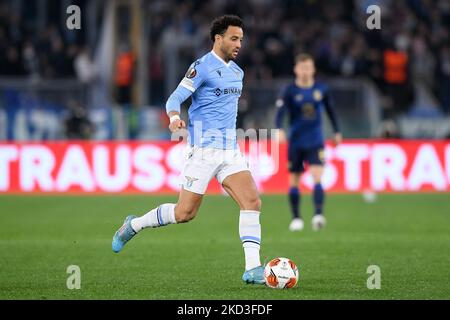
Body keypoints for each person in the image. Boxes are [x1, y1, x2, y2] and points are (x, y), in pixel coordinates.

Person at [112, 15, 265, 284]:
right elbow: (175, 98)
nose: (239, 43)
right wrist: (174, 118)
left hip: (230, 150)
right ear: (218, 39)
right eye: (233, 38)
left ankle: (252, 268)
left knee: (252, 201)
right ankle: (133, 225)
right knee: (185, 213)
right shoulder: (201, 67)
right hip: (204, 150)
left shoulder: (237, 72)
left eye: (241, 38)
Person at [275, 53, 342, 232]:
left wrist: (336, 131)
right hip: (296, 142)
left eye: (308, 67)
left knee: (317, 176)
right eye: (302, 68)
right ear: (296, 69)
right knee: (294, 180)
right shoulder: (289, 90)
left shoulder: (322, 89)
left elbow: (331, 111)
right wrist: (279, 129)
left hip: (315, 140)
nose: (305, 71)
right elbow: (280, 113)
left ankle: (318, 215)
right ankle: (296, 218)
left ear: (313, 69)